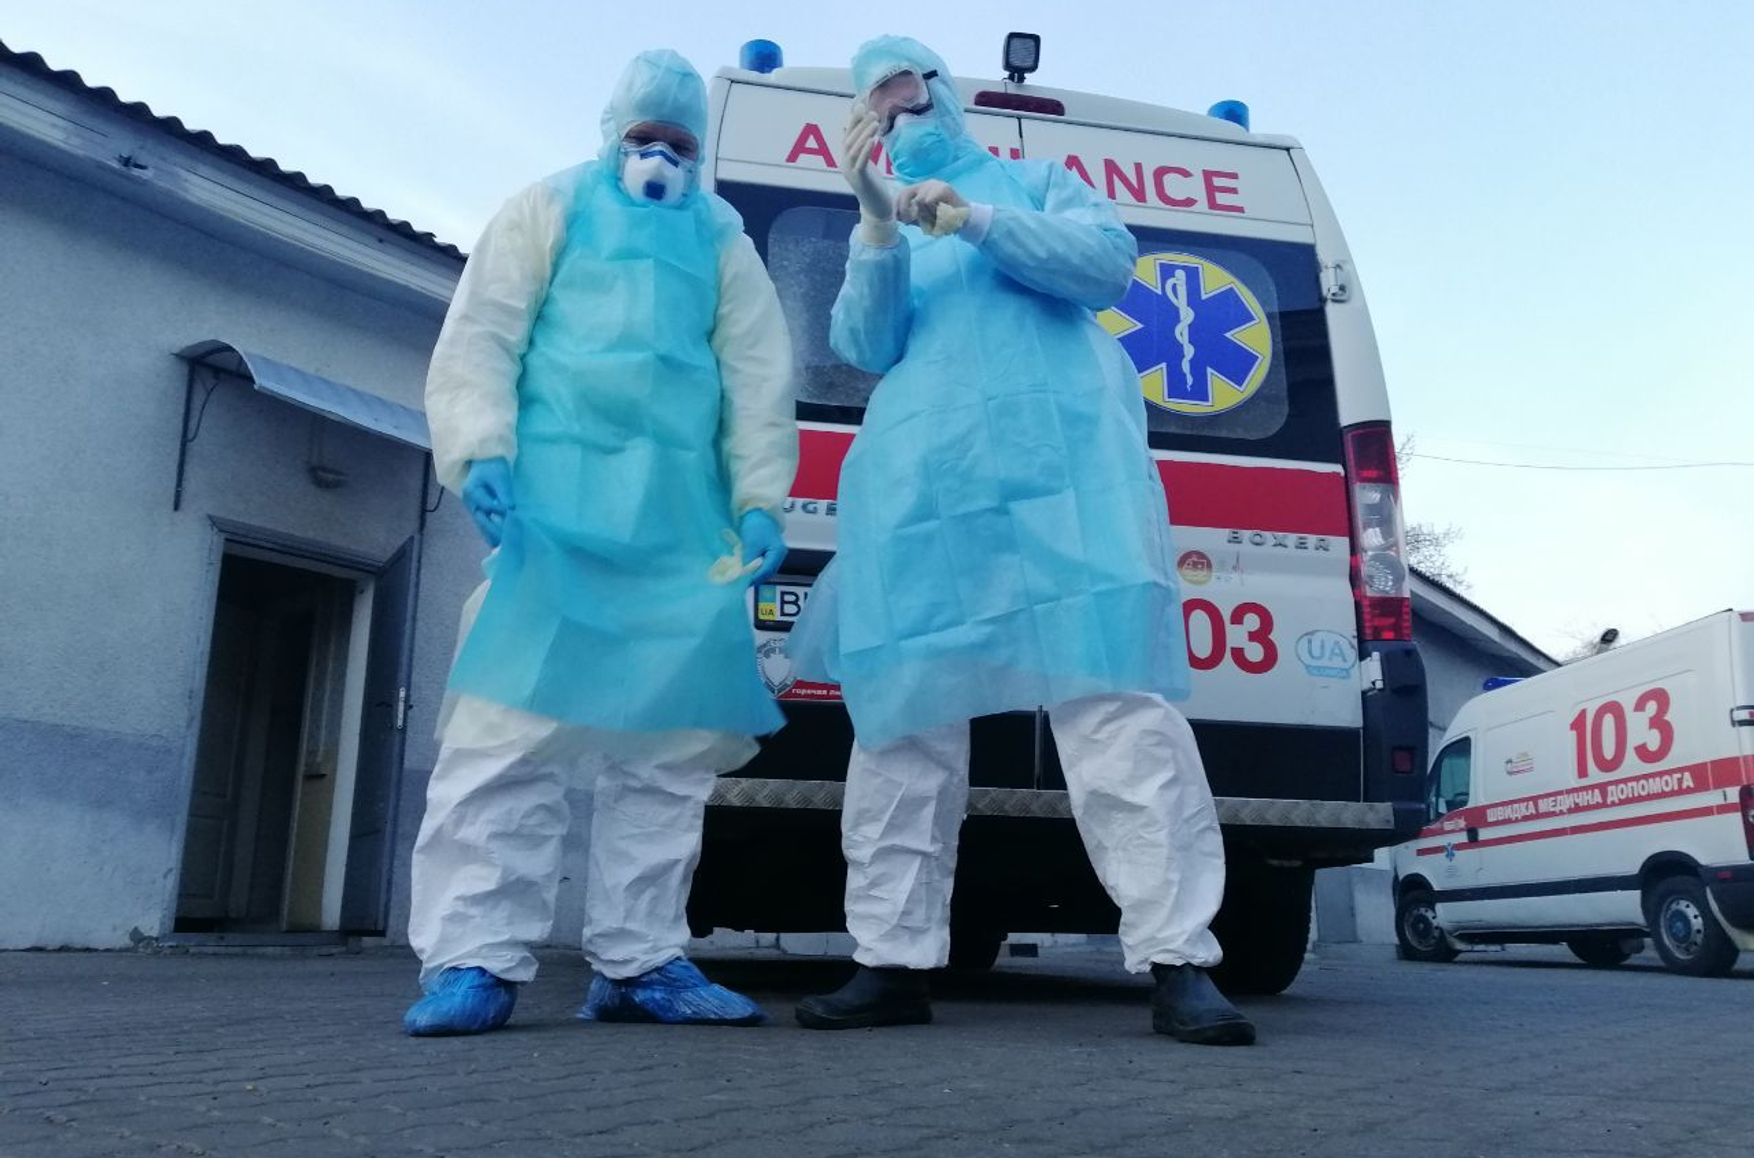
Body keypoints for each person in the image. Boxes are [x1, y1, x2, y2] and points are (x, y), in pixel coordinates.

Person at [788, 36, 1253, 1045]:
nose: (896, 112)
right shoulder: (884, 223)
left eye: (906, 90)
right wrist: (876, 221)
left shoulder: (1038, 182)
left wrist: (977, 219)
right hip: (923, 494)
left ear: (941, 91)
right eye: (875, 102)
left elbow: (1106, 267)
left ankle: (1179, 959)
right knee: (901, 724)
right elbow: (863, 344)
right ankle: (890, 960)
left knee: (1116, 711)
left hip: (1063, 484)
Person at [403, 49, 797, 1036]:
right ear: (613, 134)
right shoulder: (549, 209)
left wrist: (760, 497)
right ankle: (473, 957)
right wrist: (480, 448)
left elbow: (757, 375)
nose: (661, 159)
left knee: (666, 756)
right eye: (645, 139)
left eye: (679, 145)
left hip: (680, 531)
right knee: (508, 738)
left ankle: (639, 958)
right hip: (555, 520)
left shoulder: (721, 240)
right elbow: (483, 333)